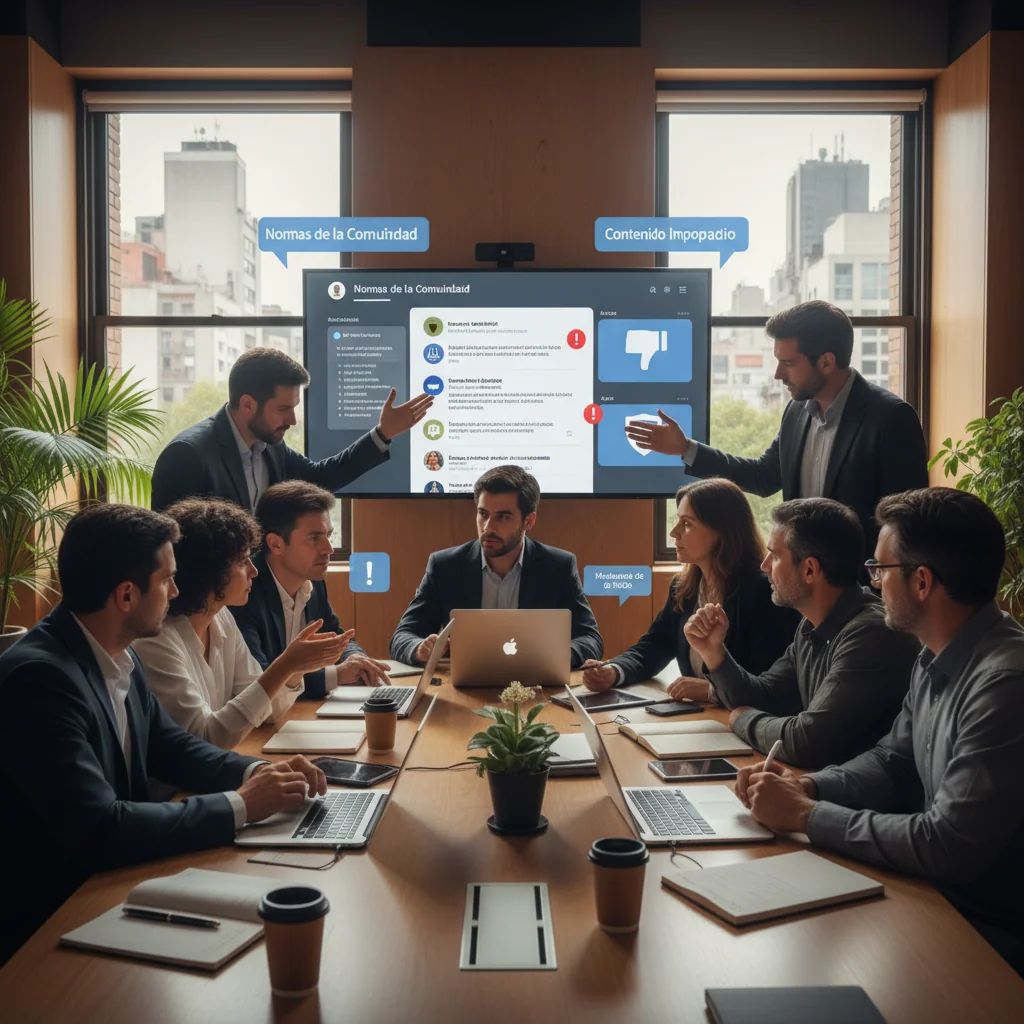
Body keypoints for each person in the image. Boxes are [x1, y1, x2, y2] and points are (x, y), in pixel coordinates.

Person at [0, 505, 328, 964]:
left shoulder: (115, 652)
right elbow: (101, 828)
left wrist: (258, 770)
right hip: (48, 923)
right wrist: (243, 804)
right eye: (168, 580)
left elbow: (173, 746)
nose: (177, 591)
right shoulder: (40, 680)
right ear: (127, 596)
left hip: (111, 885)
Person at [738, 488, 1024, 976]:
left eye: (879, 570)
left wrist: (808, 815)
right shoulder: (932, 654)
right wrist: (807, 785)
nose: (870, 584)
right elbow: (893, 761)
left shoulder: (1004, 683)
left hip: (989, 930)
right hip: (935, 897)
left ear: (922, 583)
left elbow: (948, 844)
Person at [624, 300, 928, 560]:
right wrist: (686, 449)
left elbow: (906, 526)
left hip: (865, 601)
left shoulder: (891, 418)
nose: (778, 374)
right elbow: (763, 476)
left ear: (826, 362)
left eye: (788, 363)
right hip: (804, 595)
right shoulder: (796, 412)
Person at [684, 497, 920, 769]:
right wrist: (714, 652)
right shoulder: (810, 626)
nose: (764, 566)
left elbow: (806, 742)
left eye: (774, 555)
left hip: (855, 803)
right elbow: (764, 697)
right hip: (817, 789)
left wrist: (742, 719)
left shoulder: (871, 635)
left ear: (809, 569)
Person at [134, 499, 353, 748]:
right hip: (182, 787)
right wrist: (286, 665)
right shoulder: (157, 641)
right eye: (242, 562)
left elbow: (267, 712)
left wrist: (296, 670)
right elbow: (205, 739)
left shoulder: (221, 617)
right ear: (209, 571)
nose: (254, 571)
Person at [580, 479, 799, 697]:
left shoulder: (764, 592)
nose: (673, 533)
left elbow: (772, 683)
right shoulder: (683, 588)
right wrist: (613, 671)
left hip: (742, 723)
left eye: (686, 523)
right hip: (697, 718)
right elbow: (653, 647)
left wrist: (714, 691)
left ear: (721, 531)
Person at [151, 347, 434, 512]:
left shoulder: (272, 446)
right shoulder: (188, 456)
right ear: (247, 404)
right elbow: (174, 552)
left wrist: (383, 433)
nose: (293, 420)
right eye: (284, 409)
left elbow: (320, 478)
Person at [390, 464, 603, 668]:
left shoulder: (558, 566)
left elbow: (590, 639)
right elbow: (402, 637)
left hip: (536, 685)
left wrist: (560, 655)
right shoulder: (445, 566)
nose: (488, 527)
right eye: (483, 514)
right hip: (463, 688)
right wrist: (420, 649)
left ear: (529, 521)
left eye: (502, 517)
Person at [232, 481, 392, 698]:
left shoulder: (313, 582)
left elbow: (337, 637)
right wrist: (337, 675)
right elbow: (261, 683)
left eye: (329, 535)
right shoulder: (245, 592)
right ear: (275, 544)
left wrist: (355, 659)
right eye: (314, 538)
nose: (329, 549)